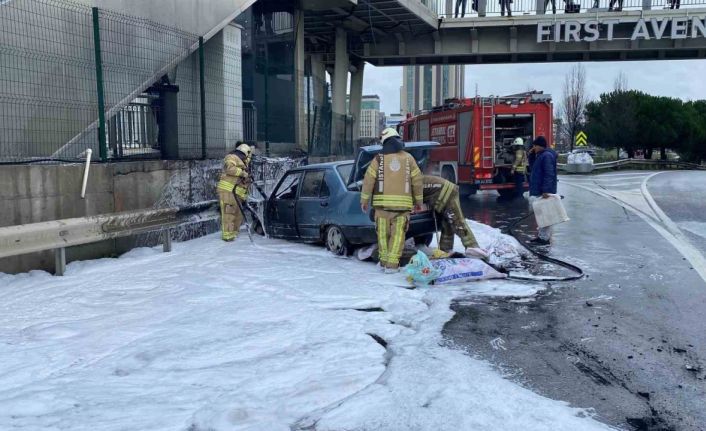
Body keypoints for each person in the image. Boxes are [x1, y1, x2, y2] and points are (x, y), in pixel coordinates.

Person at [361, 128, 424, 273]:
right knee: (397, 237)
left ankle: (383, 263)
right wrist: (419, 202)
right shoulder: (408, 158)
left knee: (382, 236)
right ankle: (392, 266)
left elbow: (368, 180)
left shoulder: (378, 159)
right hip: (402, 209)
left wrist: (364, 200)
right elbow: (418, 181)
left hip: (381, 208)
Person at [422, 175, 487, 257]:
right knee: (447, 223)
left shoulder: (407, 185)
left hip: (445, 192)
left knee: (456, 221)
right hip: (449, 189)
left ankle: (471, 246)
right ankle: (446, 250)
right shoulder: (413, 180)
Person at [216, 143, 252, 241]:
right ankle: (228, 236)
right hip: (227, 191)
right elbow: (229, 169)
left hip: (237, 193)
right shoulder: (232, 157)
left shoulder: (244, 162)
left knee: (238, 213)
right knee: (229, 213)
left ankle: (234, 232)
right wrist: (242, 173)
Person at [528, 136, 558, 245]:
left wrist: (546, 190)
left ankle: (544, 238)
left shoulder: (547, 156)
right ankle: (542, 236)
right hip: (538, 190)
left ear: (538, 146)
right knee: (540, 215)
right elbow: (532, 167)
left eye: (534, 146)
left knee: (545, 215)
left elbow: (549, 174)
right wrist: (531, 155)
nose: (533, 148)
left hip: (543, 192)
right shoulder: (540, 156)